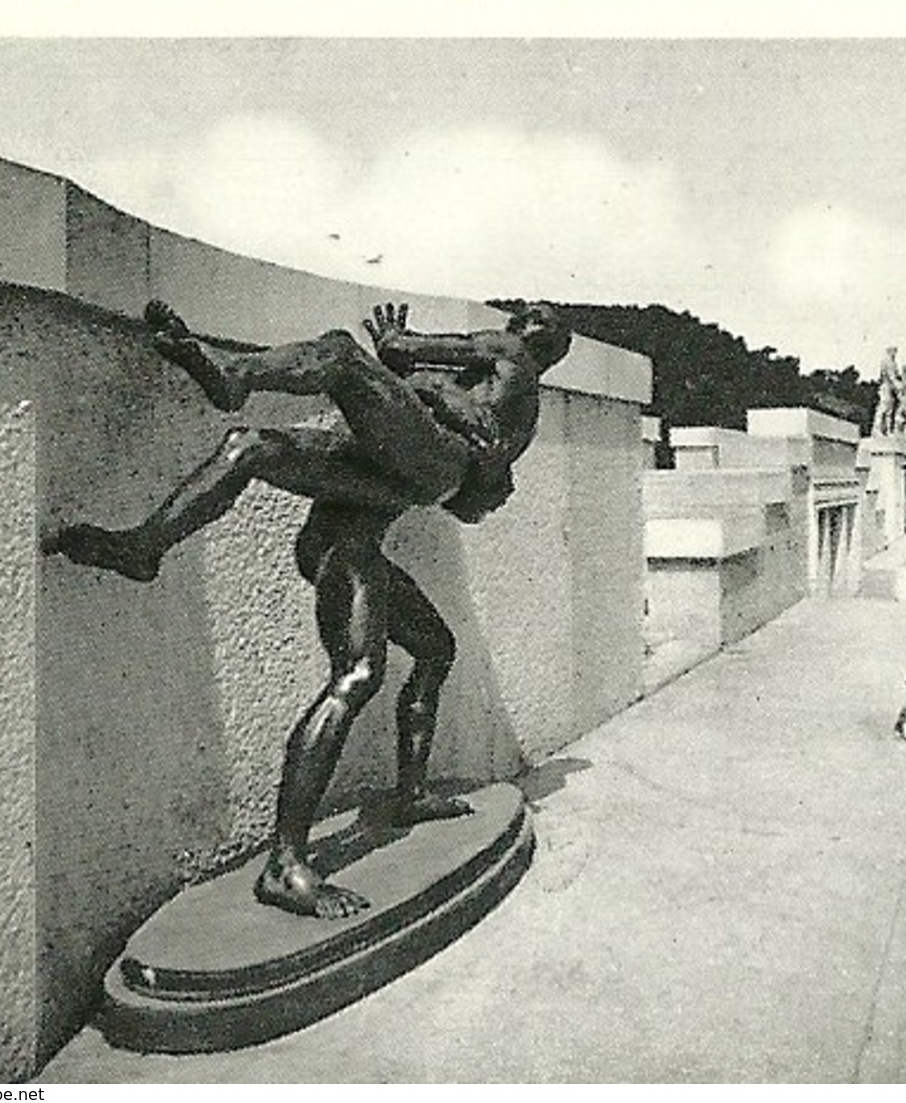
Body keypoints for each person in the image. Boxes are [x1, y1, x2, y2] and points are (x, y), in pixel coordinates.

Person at [43, 299, 571, 919]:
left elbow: (405, 353)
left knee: (338, 360)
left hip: (425, 471)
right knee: (427, 645)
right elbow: (465, 482)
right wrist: (426, 393)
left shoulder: (510, 358)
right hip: (380, 501)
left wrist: (405, 352)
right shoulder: (487, 403)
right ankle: (143, 546)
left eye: (534, 317)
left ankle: (229, 386)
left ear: (542, 341)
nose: (520, 318)